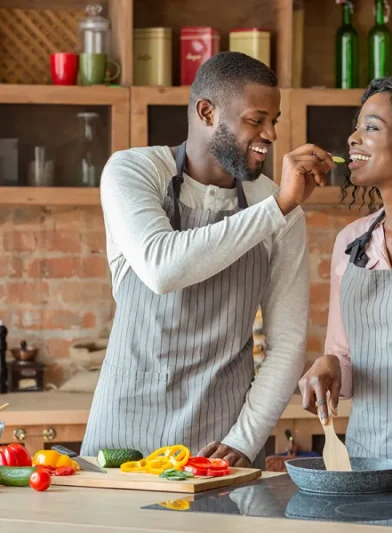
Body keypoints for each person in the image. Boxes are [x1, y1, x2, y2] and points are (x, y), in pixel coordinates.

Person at [81, 51, 334, 468]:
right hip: (120, 432)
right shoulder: (133, 171)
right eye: (256, 119)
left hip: (219, 441)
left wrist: (244, 440)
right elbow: (163, 268)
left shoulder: (279, 207)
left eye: (275, 120)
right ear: (206, 112)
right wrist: (279, 205)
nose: (271, 134)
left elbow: (287, 342)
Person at [299, 77, 392, 459]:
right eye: (356, 127)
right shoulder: (353, 243)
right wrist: (328, 366)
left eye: (370, 127)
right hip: (367, 458)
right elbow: (346, 359)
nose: (353, 138)